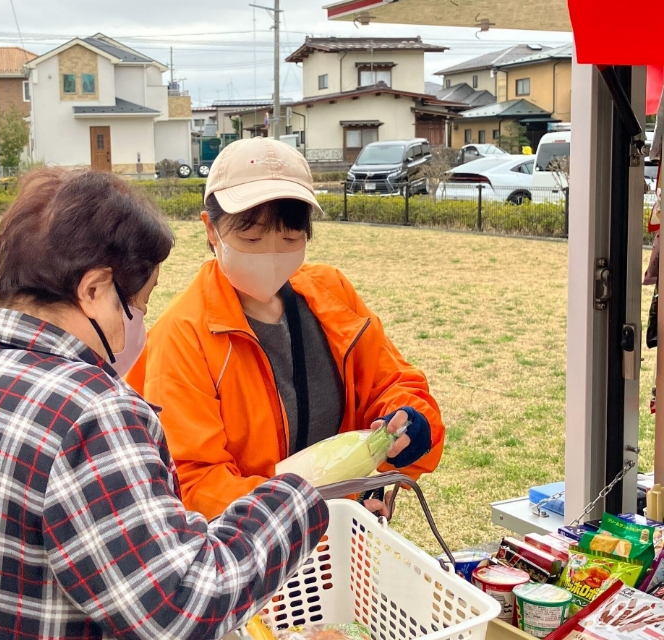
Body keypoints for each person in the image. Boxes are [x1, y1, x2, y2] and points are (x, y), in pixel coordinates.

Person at [0, 168, 329, 640]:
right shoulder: (91, 413)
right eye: (139, 304)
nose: (139, 323)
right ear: (94, 290)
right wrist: (298, 493)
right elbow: (183, 607)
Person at [129, 138, 445, 520]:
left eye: (291, 238)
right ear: (211, 230)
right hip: (247, 561)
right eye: (251, 237)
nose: (271, 253)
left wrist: (410, 421)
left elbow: (391, 382)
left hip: (342, 552)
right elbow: (195, 486)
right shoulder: (183, 336)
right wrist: (331, 508)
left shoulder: (332, 293)